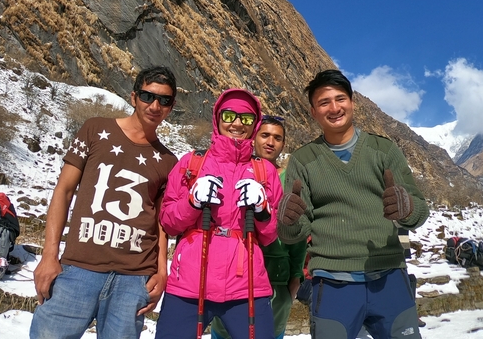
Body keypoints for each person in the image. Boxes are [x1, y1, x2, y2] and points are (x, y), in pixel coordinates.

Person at [277, 69, 430, 339]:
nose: (334, 108)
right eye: (324, 102)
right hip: (334, 286)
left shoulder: (383, 150)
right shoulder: (304, 159)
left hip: (389, 279)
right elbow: (294, 234)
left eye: (340, 99)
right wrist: (288, 221)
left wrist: (407, 210)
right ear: (313, 112)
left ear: (352, 103)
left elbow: (418, 211)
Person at [30, 66, 179, 339]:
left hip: (134, 277)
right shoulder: (95, 129)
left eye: (164, 100)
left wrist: (161, 271)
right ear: (133, 97)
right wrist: (49, 256)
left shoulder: (169, 161)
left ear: (171, 106)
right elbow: (63, 191)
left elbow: (161, 222)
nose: (155, 105)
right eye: (147, 96)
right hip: (78, 269)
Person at [155, 89, 284, 339]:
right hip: (189, 284)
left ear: (254, 123)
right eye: (229, 115)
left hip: (246, 285)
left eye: (246, 118)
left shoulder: (264, 171)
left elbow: (269, 237)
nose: (236, 123)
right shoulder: (191, 163)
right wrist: (191, 202)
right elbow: (169, 222)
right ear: (217, 118)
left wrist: (262, 211)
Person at [210, 115, 307, 339]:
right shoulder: (235, 171)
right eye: (265, 135)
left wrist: (294, 277)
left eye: (277, 138)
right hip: (232, 275)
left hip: (275, 278)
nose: (270, 142)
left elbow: (297, 232)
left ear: (284, 144)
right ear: (254, 137)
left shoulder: (290, 181)